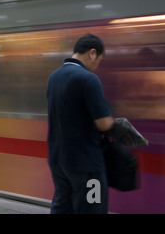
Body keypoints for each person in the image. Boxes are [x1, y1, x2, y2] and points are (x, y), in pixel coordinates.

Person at [46, 34, 114, 214]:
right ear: (92, 53)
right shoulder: (88, 79)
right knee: (93, 209)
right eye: (99, 60)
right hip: (86, 163)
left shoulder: (54, 77)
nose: (97, 65)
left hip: (58, 160)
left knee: (62, 208)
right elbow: (104, 123)